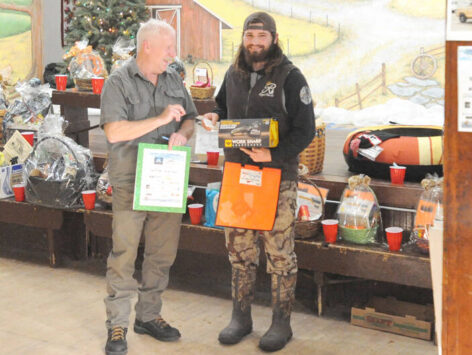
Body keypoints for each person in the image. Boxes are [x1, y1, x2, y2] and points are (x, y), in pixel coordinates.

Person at [203, 12, 315, 352]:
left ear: (274, 39)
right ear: (244, 39)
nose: (255, 43)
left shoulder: (291, 77)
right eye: (250, 36)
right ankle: (241, 317)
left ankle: (281, 323)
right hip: (238, 175)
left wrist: (274, 154)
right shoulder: (234, 73)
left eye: (261, 37)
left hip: (278, 178)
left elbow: (306, 130)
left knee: (280, 254)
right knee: (239, 251)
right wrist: (213, 115)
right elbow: (222, 107)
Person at [99, 19, 197, 355]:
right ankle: (117, 326)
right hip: (130, 180)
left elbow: (190, 117)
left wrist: (182, 133)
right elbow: (113, 132)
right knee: (124, 254)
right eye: (168, 47)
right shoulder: (118, 82)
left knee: (162, 253)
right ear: (148, 47)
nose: (173, 54)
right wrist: (159, 119)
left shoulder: (172, 79)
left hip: (166, 178)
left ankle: (149, 316)